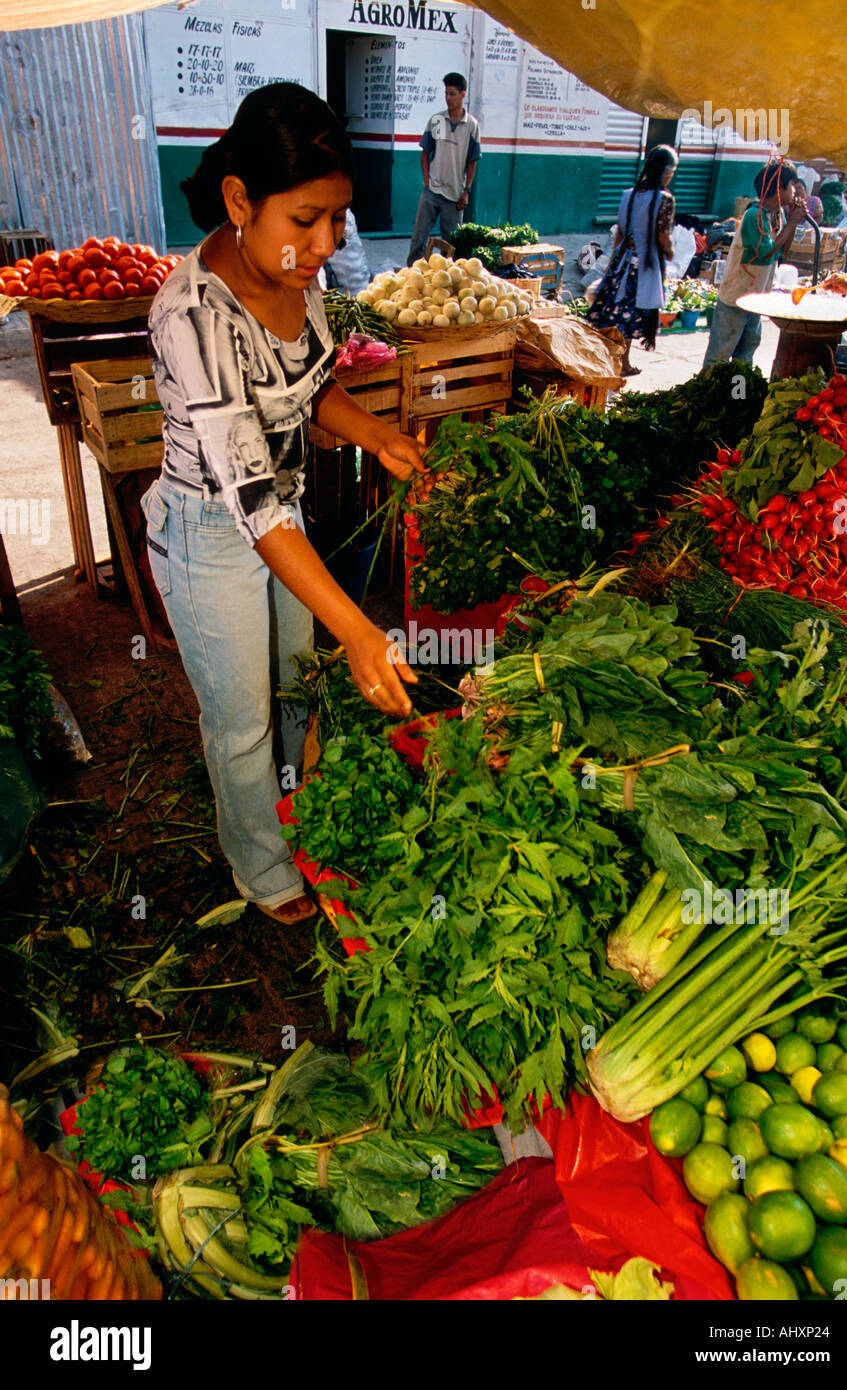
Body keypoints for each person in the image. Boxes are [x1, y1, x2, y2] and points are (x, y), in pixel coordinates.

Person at [142, 83, 426, 926]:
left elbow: (309, 391)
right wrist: (361, 629)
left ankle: (296, 814)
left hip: (282, 523)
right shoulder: (191, 316)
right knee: (241, 723)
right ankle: (262, 870)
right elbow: (251, 494)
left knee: (296, 691)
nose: (325, 242)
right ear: (240, 200)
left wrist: (375, 434)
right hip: (211, 531)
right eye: (306, 219)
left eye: (337, 219)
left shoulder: (299, 281)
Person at [703, 160, 806, 368]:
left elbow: (783, 250)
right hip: (736, 298)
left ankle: (737, 394)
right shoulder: (754, 216)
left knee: (746, 351)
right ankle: (709, 395)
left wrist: (792, 222)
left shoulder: (778, 215)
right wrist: (793, 222)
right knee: (721, 352)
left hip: (756, 298)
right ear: (779, 189)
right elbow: (766, 251)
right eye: (792, 185)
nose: (795, 190)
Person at [585, 144, 678, 376]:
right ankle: (620, 363)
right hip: (644, 267)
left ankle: (616, 360)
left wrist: (610, 264)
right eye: (672, 171)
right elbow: (662, 236)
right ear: (667, 171)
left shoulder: (629, 195)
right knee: (631, 314)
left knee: (615, 311)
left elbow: (619, 233)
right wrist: (671, 252)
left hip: (622, 262)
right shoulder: (664, 199)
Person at [406, 73, 481, 267]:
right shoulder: (437, 120)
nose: (448, 98)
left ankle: (446, 281)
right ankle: (411, 274)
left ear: (463, 94)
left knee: (451, 245)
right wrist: (426, 182)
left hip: (454, 195)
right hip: (432, 190)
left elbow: (472, 161)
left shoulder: (472, 125)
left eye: (452, 94)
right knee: (418, 239)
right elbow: (425, 153)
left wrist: (467, 191)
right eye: (446, 93)